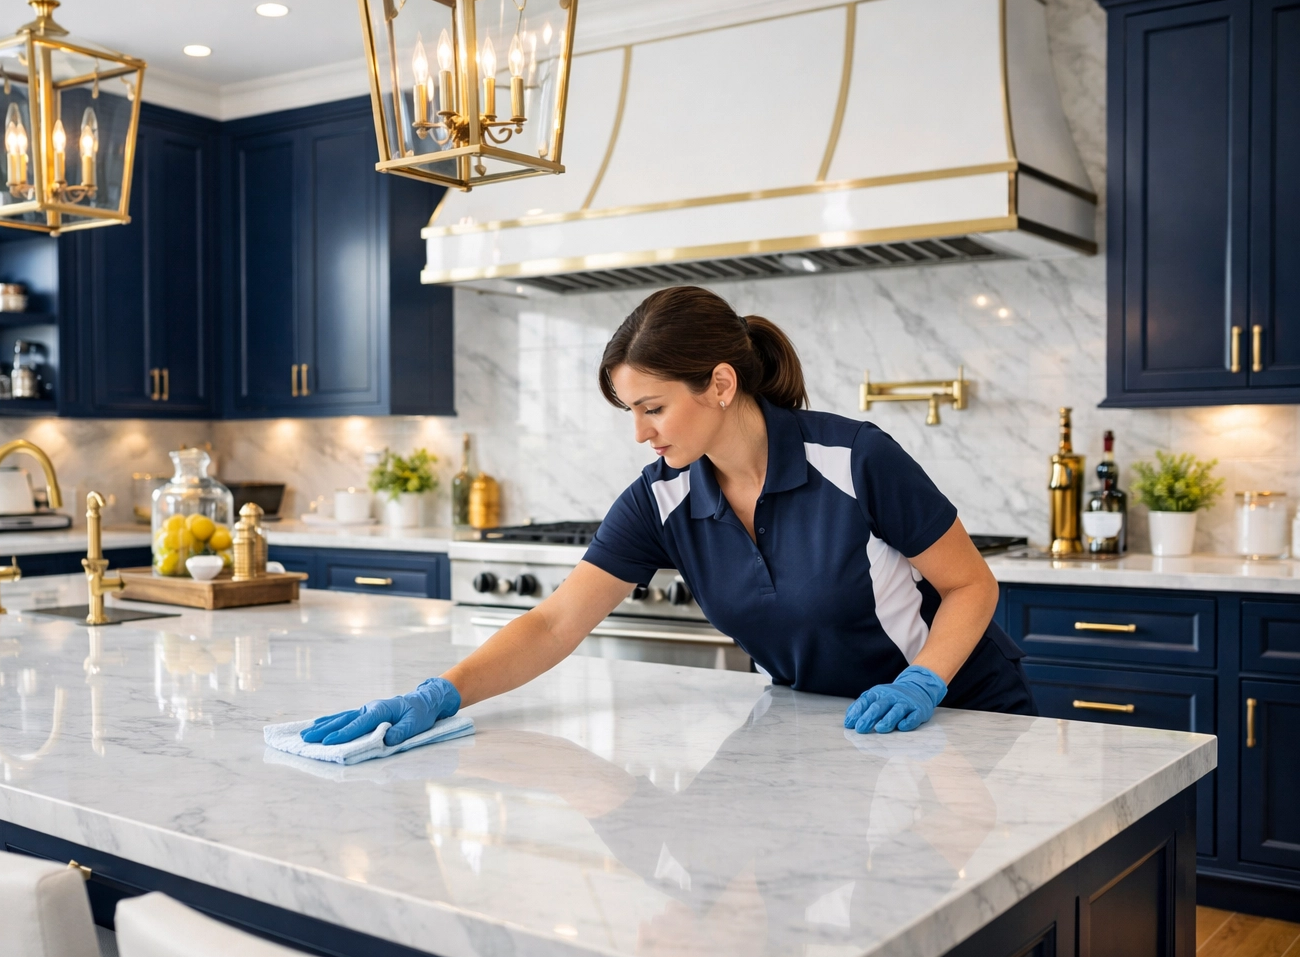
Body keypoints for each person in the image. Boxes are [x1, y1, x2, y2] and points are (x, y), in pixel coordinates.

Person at [302, 285, 1036, 747]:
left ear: (720, 384)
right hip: (826, 729)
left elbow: (973, 588)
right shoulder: (662, 498)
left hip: (964, 719)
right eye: (632, 412)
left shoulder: (855, 459)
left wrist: (924, 683)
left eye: (653, 408)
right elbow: (556, 623)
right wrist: (441, 693)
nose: (642, 433)